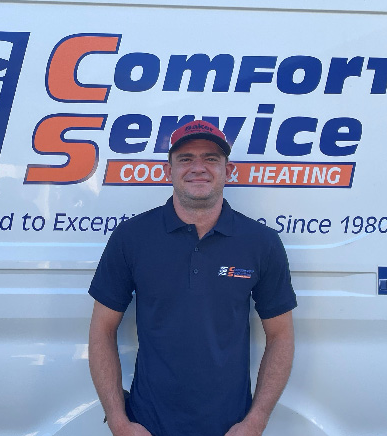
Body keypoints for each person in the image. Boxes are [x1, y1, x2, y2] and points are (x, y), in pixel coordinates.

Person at [88, 120, 297, 436]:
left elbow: (281, 335)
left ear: (228, 171)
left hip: (230, 427)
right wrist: (119, 422)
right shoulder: (131, 238)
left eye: (211, 158)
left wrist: (256, 421)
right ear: (168, 170)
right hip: (148, 425)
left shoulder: (261, 242)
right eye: (186, 158)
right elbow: (102, 330)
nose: (198, 167)